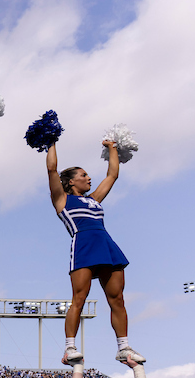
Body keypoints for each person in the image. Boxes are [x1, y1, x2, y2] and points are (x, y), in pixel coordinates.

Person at [46, 140, 144, 366]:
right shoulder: (62, 200)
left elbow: (112, 175)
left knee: (117, 299)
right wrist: (50, 141)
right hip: (84, 246)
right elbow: (51, 169)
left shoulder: (94, 199)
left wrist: (113, 147)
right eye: (84, 175)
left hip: (107, 246)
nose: (89, 178)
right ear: (71, 182)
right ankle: (70, 347)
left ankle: (123, 347)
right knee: (79, 299)